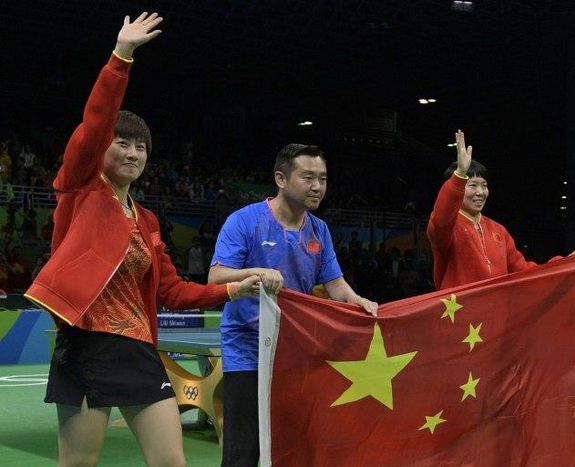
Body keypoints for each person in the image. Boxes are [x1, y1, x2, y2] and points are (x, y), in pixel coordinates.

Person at [23, 13, 261, 467]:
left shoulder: (146, 219)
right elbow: (94, 126)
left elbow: (172, 290)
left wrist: (235, 288)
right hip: (88, 347)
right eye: (123, 143)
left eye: (141, 147)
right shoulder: (79, 190)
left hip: (139, 351)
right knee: (79, 464)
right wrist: (121, 57)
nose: (132, 153)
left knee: (171, 461)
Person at [209, 143, 379, 467]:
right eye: (308, 177)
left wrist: (358, 301)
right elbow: (216, 277)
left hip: (294, 352)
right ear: (281, 179)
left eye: (323, 179)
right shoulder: (244, 221)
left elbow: (336, 286)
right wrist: (255, 272)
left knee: (292, 445)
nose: (318, 187)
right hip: (247, 350)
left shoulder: (319, 230)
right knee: (243, 451)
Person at [428, 130, 538, 289]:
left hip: (495, 311)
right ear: (457, 188)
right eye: (472, 185)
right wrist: (459, 174)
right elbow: (441, 219)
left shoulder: (499, 230)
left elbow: (524, 271)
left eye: (484, 186)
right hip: (461, 312)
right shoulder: (445, 229)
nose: (480, 192)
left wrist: (566, 264)